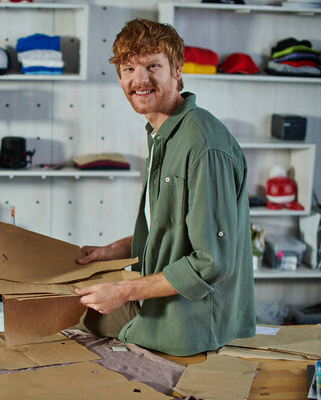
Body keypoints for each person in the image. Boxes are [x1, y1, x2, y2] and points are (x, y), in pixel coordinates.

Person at [74, 18, 256, 356]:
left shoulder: (202, 142)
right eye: (129, 68)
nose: (139, 80)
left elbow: (210, 262)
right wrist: (114, 251)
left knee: (69, 317)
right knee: (68, 302)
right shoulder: (163, 134)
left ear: (177, 70)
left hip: (191, 323)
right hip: (160, 307)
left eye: (152, 66)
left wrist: (125, 292)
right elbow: (173, 227)